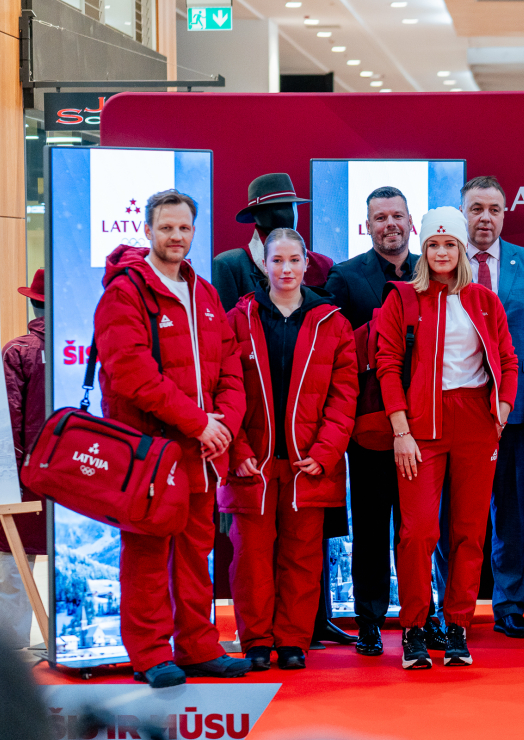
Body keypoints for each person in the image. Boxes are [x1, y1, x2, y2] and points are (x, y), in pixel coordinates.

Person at [93, 189, 250, 688]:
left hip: (200, 454)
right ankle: (150, 653)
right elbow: (131, 374)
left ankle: (199, 647)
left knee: (194, 555)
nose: (176, 237)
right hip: (149, 454)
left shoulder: (202, 291)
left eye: (184, 228)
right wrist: (198, 423)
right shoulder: (126, 292)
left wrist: (221, 423)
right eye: (166, 228)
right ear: (147, 231)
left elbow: (229, 364)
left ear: (194, 231)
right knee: (145, 557)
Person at [376, 206, 519, 669]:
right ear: (424, 250)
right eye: (434, 245)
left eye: (450, 245)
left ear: (462, 250)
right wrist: (401, 429)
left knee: (470, 530)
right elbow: (388, 365)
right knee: (419, 530)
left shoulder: (484, 299)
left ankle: (457, 625)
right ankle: (415, 627)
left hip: (476, 422)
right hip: (422, 426)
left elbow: (509, 358)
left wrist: (504, 404)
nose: (441, 252)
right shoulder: (403, 299)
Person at [212, 172, 348, 648]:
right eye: (278, 260)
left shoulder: (330, 320)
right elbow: (225, 387)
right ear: (263, 261)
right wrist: (238, 448)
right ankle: (255, 641)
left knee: (303, 555)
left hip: (311, 458)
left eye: (294, 260)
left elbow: (342, 395)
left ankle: (292, 641)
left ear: (306, 262)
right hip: (253, 459)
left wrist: (327, 450)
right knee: (248, 558)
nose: (286, 268)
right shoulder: (238, 317)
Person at [325, 186, 445, 657]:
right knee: (373, 526)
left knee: (419, 529)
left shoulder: (431, 270)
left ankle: (425, 615)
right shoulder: (345, 278)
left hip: (428, 426)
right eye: (380, 217)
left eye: (398, 216)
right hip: (372, 427)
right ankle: (371, 620)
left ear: (411, 222)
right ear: (367, 224)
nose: (390, 224)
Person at [458, 176, 524, 639]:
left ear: (504, 214)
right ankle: (448, 606)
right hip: (454, 410)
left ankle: (509, 604)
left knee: (511, 512)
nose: (485, 218)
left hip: (515, 413)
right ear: (463, 212)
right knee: (451, 513)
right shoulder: (441, 261)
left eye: (494, 209)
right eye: (476, 208)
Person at [0, 271, 47, 650]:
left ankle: (12, 653)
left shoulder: (18, 351)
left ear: (32, 304)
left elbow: (8, 420)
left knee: (14, 562)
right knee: (76, 562)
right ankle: (72, 643)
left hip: (24, 476)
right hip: (80, 474)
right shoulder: (84, 348)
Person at [213, 173, 334, 312]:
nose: (290, 214)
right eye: (279, 208)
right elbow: (226, 327)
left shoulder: (323, 266)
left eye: (292, 206)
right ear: (257, 215)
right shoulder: (230, 265)